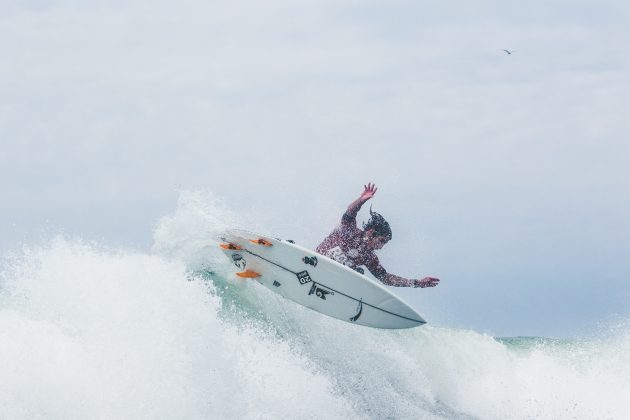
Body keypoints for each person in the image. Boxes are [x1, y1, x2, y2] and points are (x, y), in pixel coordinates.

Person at [316, 183, 440, 288]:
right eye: (381, 241)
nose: (381, 247)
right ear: (371, 232)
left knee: (359, 273)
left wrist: (417, 283)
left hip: (330, 279)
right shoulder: (350, 231)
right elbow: (349, 212)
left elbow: (385, 278)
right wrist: (360, 200)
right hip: (314, 262)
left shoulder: (369, 257)